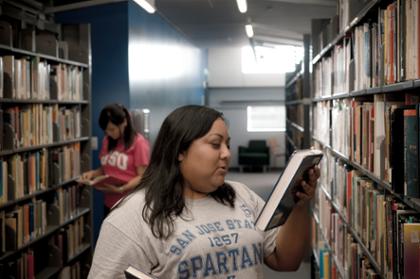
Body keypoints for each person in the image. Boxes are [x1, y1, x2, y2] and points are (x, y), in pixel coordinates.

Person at [88, 105, 320, 279]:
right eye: (215, 144)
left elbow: (286, 261)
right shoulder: (131, 218)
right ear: (180, 150)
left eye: (227, 144)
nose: (227, 153)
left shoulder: (242, 195)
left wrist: (298, 205)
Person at [80, 103, 150, 215]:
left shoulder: (139, 143)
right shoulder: (107, 141)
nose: (109, 133)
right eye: (106, 131)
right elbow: (106, 169)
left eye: (112, 129)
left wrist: (121, 189)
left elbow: (142, 176)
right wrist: (93, 174)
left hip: (129, 203)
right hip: (109, 203)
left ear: (124, 122)